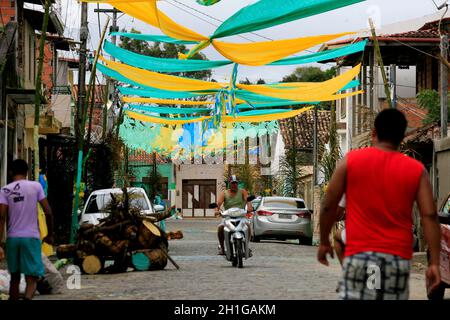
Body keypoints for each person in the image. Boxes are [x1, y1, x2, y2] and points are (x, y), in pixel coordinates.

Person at [317, 109, 441, 300]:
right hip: (396, 258)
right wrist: (434, 264)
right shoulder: (416, 170)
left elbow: (328, 205)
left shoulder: (350, 162)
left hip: (359, 256)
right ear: (402, 137)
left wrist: (325, 241)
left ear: (374, 133)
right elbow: (429, 216)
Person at [0, 159, 54, 300]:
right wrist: (50, 234)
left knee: (15, 278)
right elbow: (48, 211)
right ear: (27, 172)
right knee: (31, 278)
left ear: (11, 172)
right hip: (31, 238)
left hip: (12, 238)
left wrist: (0, 243)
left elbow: (1, 217)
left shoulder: (5, 190)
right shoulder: (36, 187)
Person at [215, 175, 253, 255]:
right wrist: (216, 210)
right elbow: (218, 204)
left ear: (237, 184)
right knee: (220, 227)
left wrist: (249, 207)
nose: (234, 185)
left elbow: (248, 200)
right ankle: (222, 248)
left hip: (241, 216)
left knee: (248, 226)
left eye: (236, 183)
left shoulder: (242, 191)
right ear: (229, 183)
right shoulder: (224, 193)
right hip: (228, 217)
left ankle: (247, 246)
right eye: (232, 183)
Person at [333, 195, 346, 267]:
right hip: (384, 235)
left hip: (359, 233)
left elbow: (337, 215)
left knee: (337, 237)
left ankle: (346, 268)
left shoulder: (351, 188)